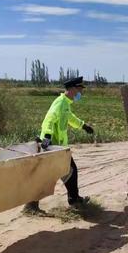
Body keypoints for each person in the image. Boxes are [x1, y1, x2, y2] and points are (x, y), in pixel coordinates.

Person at [23, 76, 94, 215]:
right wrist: (48, 136)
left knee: (68, 172)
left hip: (58, 147)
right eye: (80, 90)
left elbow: (70, 118)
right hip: (51, 146)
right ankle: (72, 201)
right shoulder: (60, 103)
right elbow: (49, 119)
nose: (81, 94)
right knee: (63, 173)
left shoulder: (66, 104)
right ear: (73, 89)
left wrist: (83, 126)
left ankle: (72, 200)